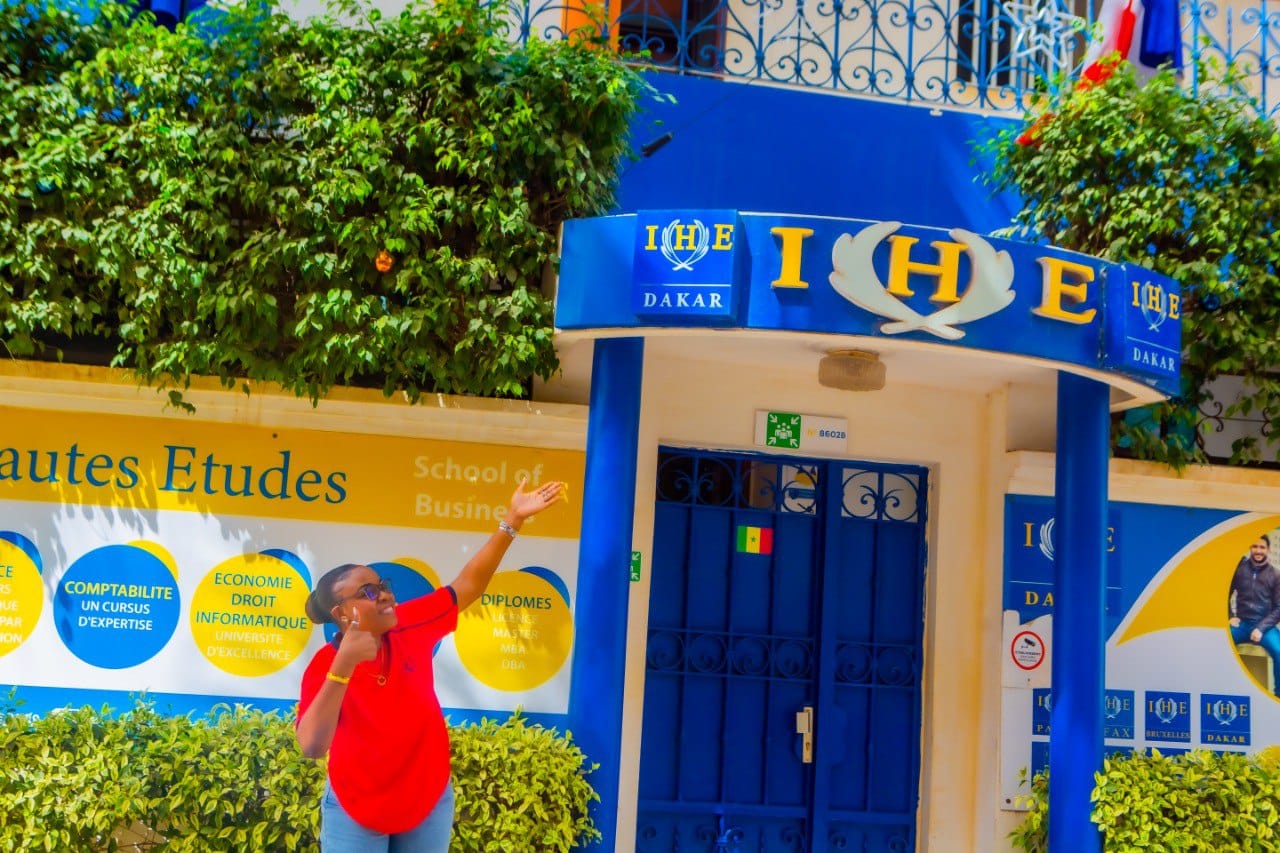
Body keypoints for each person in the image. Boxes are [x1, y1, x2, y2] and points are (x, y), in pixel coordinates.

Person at [296, 477, 566, 851]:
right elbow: (312, 745)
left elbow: (468, 586)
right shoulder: (325, 665)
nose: (385, 594)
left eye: (383, 584)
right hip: (356, 808)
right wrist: (343, 667)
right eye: (368, 592)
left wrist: (513, 521)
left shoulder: (410, 623)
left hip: (426, 801)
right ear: (341, 613)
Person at [1229, 533, 1280, 697]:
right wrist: (1230, 615)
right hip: (1242, 624)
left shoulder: (1276, 575)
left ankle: (1278, 696)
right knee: (1218, 641)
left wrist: (1261, 628)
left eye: (1262, 547)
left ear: (1268, 550)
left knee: (1279, 651)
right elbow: (1224, 594)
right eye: (1255, 546)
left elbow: (1279, 608)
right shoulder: (1239, 570)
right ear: (1250, 548)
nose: (1258, 550)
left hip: (1265, 628)